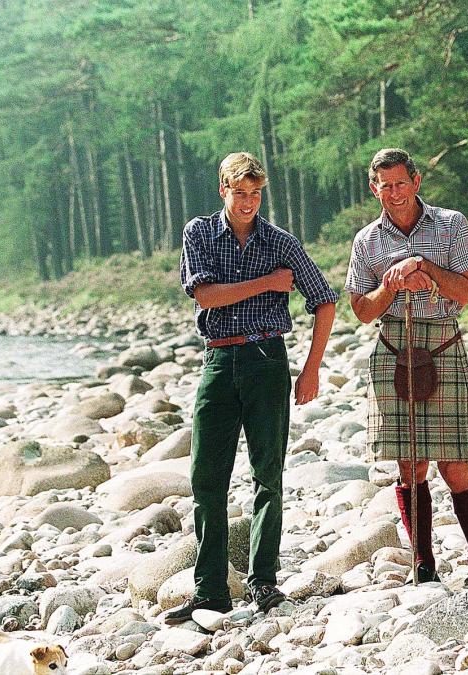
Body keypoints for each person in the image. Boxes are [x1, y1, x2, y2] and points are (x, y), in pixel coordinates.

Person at [169, 152, 338, 624]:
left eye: (256, 193)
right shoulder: (198, 233)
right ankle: (210, 591)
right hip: (219, 359)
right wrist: (270, 284)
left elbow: (324, 301)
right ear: (223, 190)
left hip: (268, 361)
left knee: (268, 474)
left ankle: (263, 581)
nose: (248, 202)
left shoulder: (280, 240)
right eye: (240, 192)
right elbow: (206, 295)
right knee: (207, 478)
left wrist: (311, 370)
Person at [345, 148, 468, 586]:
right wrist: (392, 284)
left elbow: (466, 291)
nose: (393, 193)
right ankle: (422, 563)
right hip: (394, 348)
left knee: (454, 464)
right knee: (410, 465)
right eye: (384, 185)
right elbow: (361, 309)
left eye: (400, 183)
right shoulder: (367, 241)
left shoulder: (451, 224)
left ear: (416, 182)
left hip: (442, 342)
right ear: (373, 188)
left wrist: (426, 269)